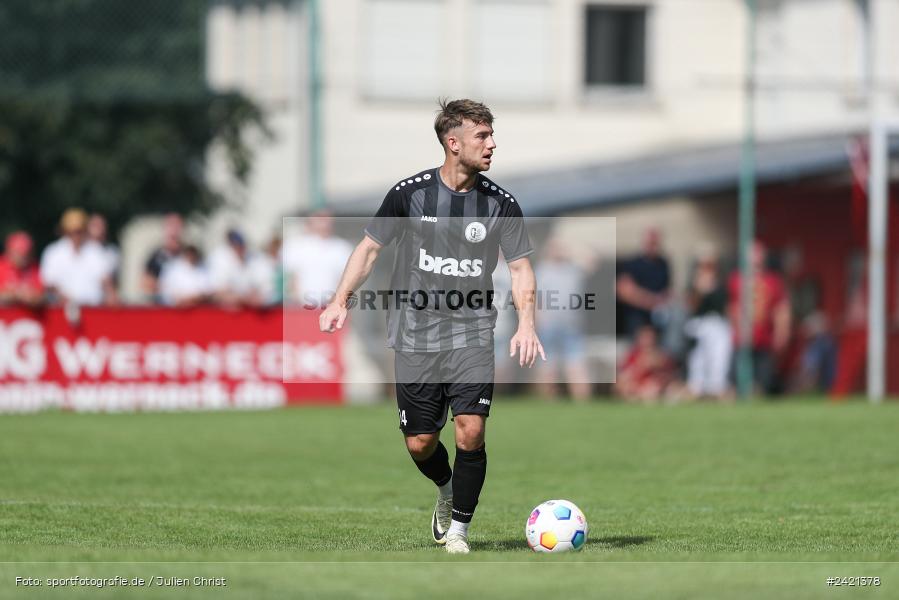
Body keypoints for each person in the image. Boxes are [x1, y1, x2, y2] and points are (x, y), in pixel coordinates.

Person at [318, 99, 543, 554]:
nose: (492, 144)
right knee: (420, 443)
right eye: (482, 136)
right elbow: (369, 249)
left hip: (473, 331)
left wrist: (527, 325)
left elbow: (520, 269)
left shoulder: (500, 204)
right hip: (415, 334)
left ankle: (459, 531)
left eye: (492, 134)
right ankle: (445, 487)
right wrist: (340, 299)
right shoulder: (409, 195)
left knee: (471, 430)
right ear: (452, 142)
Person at [727, 240, 791, 394]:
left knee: (765, 382)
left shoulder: (773, 281)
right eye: (751, 254)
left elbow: (781, 310)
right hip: (742, 340)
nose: (755, 258)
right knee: (737, 380)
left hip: (764, 340)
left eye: (758, 254)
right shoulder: (736, 279)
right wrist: (736, 329)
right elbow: (732, 308)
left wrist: (781, 333)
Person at [534, 238, 591, 401]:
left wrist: (572, 252)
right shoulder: (542, 270)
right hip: (548, 325)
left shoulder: (573, 269)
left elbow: (593, 260)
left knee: (576, 363)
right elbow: (535, 298)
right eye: (554, 248)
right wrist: (536, 321)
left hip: (571, 325)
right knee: (548, 365)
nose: (557, 251)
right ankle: (548, 400)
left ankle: (583, 401)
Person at [39, 208, 118, 306]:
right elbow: (49, 284)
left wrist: (112, 297)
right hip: (61, 310)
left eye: (79, 231)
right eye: (72, 231)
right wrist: (66, 299)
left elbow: (106, 282)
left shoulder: (96, 252)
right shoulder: (53, 252)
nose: (76, 235)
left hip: (93, 309)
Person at [683, 247, 732, 399]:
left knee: (719, 358)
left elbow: (726, 306)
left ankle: (716, 388)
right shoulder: (695, 283)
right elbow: (691, 306)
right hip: (700, 324)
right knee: (698, 359)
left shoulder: (721, 283)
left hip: (717, 323)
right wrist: (700, 289)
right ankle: (696, 388)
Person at [282, 211, 353, 308]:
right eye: (320, 217)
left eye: (327, 217)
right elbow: (291, 278)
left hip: (331, 307)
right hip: (300, 307)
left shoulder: (342, 247)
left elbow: (345, 280)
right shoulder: (295, 245)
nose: (324, 222)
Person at [616, 228, 671, 339]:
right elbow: (624, 291)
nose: (652, 246)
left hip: (659, 314)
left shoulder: (663, 264)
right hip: (636, 315)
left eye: (655, 243)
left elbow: (667, 289)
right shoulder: (632, 264)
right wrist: (651, 301)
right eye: (650, 242)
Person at [143, 213, 184, 302]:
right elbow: (146, 284)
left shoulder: (188, 255)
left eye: (177, 226)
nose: (174, 230)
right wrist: (168, 289)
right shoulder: (156, 257)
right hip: (163, 307)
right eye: (171, 226)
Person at [0, 231, 43, 306]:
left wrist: (31, 298)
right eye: (19, 252)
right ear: (9, 251)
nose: (23, 256)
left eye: (27, 252)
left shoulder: (35, 268)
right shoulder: (1, 266)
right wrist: (15, 295)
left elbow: (41, 295)